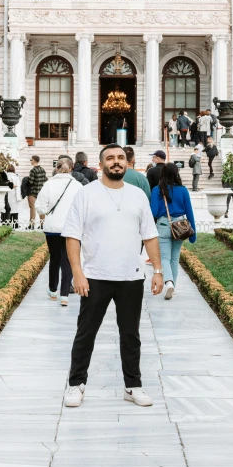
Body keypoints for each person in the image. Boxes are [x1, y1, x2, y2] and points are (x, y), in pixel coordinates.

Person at [62, 143, 164, 408]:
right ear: (101, 164)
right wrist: (77, 273)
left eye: (120, 158)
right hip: (95, 276)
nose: (116, 162)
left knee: (131, 336)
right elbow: (72, 236)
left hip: (131, 277)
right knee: (86, 334)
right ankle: (76, 385)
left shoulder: (138, 195)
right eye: (110, 158)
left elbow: (150, 235)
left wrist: (158, 271)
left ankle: (133, 386)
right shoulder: (86, 194)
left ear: (127, 163)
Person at [36, 160, 83, 306]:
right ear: (71, 168)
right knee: (68, 260)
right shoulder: (77, 186)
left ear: (56, 168)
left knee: (55, 258)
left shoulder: (49, 184)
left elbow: (41, 208)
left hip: (53, 228)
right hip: (72, 228)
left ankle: (53, 290)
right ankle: (64, 295)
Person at [150, 162, 196, 299]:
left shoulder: (157, 190)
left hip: (164, 225)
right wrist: (194, 232)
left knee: (164, 257)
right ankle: (172, 286)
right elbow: (190, 212)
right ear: (177, 174)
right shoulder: (183, 190)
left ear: (162, 174)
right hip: (180, 227)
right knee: (175, 258)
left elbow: (154, 212)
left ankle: (168, 283)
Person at [27, 155, 47, 228]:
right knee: (41, 208)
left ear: (34, 161)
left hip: (33, 192)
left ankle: (31, 224)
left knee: (32, 208)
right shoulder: (42, 170)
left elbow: (31, 182)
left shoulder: (33, 170)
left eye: (31, 160)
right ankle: (42, 224)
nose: (30, 161)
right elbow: (45, 180)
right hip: (41, 192)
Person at [4, 165, 21, 229]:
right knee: (14, 211)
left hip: (6, 196)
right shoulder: (16, 177)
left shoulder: (5, 177)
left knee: (6, 210)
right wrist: (18, 198)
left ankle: (6, 224)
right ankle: (15, 225)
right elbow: (18, 188)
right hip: (14, 197)